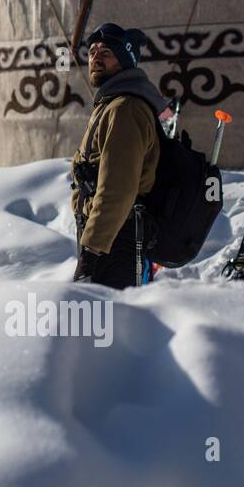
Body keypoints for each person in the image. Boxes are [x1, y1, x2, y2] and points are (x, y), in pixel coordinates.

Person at [71, 23, 168, 289]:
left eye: (106, 52)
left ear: (125, 61)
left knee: (110, 326)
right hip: (108, 238)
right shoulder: (112, 106)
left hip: (116, 242)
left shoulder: (124, 110)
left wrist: (91, 252)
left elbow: (117, 189)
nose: (95, 57)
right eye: (92, 51)